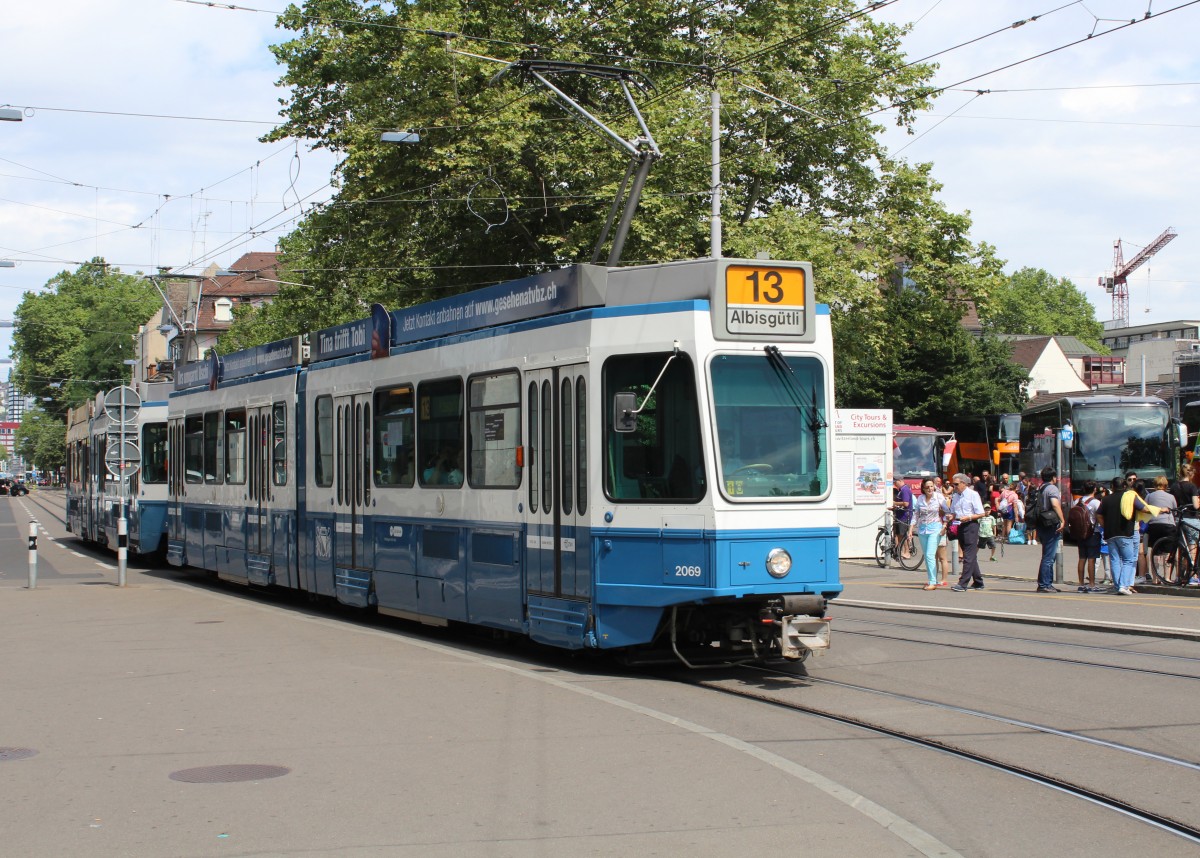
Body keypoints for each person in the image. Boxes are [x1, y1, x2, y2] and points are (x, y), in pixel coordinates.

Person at [908, 477, 948, 590]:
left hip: (935, 528)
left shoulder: (939, 497)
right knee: (927, 556)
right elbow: (916, 514)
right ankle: (932, 579)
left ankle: (932, 582)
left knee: (931, 555)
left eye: (931, 486)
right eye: (927, 487)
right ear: (923, 488)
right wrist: (911, 529)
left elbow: (947, 512)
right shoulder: (920, 498)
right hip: (922, 529)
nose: (930, 488)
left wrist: (944, 525)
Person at [948, 473, 987, 591]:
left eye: (956, 484)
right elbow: (954, 511)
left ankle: (963, 583)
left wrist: (968, 517)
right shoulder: (956, 496)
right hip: (960, 525)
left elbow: (981, 513)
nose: (954, 487)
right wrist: (951, 516)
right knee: (969, 554)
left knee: (968, 556)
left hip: (971, 525)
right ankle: (978, 581)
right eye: (953, 484)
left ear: (964, 484)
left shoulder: (973, 495)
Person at [1033, 466, 1065, 592]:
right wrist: (1062, 520)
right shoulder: (1052, 488)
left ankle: (1047, 583)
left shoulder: (1040, 488)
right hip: (1050, 523)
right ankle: (1044, 584)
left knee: (1048, 555)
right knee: (1049, 556)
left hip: (1041, 523)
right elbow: (1055, 504)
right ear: (1053, 477)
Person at [1074, 480, 1102, 593]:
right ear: (1094, 489)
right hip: (1093, 532)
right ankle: (1091, 584)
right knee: (1092, 559)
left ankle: (1080, 584)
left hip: (1080, 533)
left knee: (1081, 558)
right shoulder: (1096, 502)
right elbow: (1099, 517)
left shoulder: (1077, 501)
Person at [890, 475, 914, 559]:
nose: (895, 484)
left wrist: (894, 503)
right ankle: (901, 551)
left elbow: (906, 503)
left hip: (905, 515)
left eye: (895, 482)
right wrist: (894, 507)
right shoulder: (901, 490)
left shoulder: (905, 490)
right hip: (900, 514)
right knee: (899, 534)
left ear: (900, 481)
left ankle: (907, 552)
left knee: (902, 534)